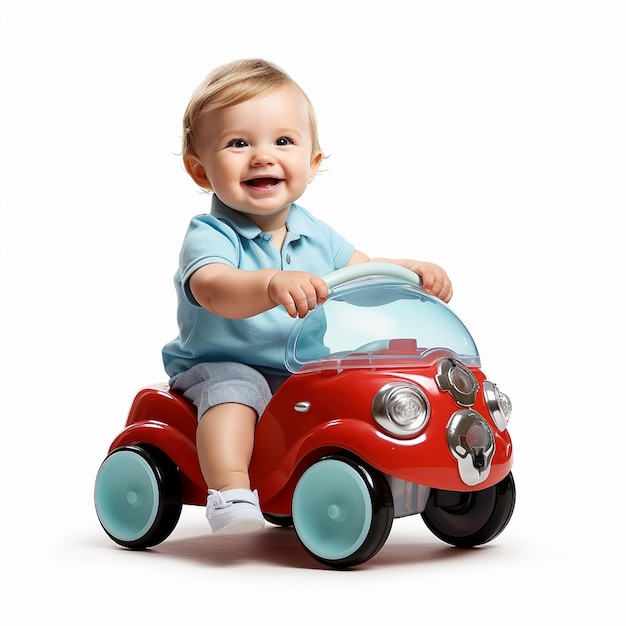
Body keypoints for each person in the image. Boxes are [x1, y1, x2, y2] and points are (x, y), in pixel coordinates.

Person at [162, 58, 453, 535]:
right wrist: (269, 285)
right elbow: (213, 289)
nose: (262, 156)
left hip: (303, 365)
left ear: (312, 162)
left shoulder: (313, 231)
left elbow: (361, 272)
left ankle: (368, 473)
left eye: (283, 141)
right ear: (200, 170)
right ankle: (230, 492)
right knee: (237, 392)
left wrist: (408, 273)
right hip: (222, 362)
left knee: (353, 390)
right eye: (238, 143)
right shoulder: (211, 234)